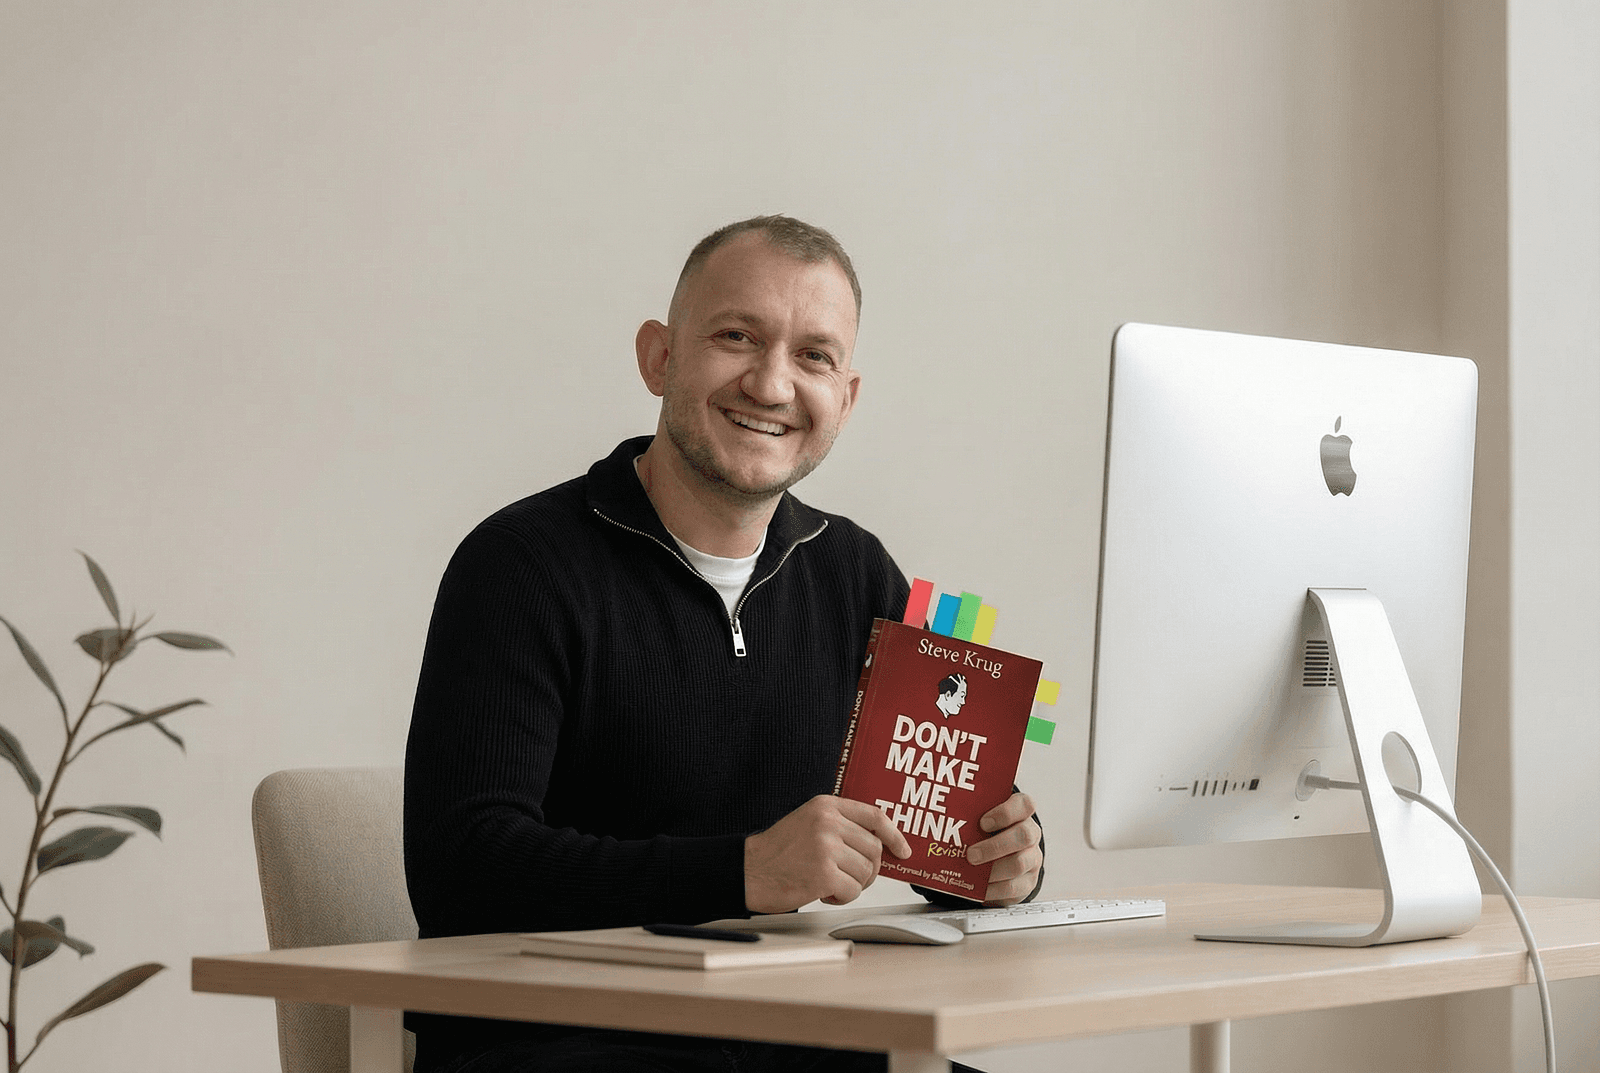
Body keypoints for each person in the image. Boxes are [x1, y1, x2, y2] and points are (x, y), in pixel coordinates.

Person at [403, 215, 1044, 1073]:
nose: (773, 384)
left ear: (845, 399)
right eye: (737, 336)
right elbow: (461, 873)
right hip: (562, 1040)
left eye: (814, 356)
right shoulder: (520, 564)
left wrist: (1002, 859)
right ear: (659, 358)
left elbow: (920, 826)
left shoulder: (856, 575)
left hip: (804, 1034)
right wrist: (743, 870)